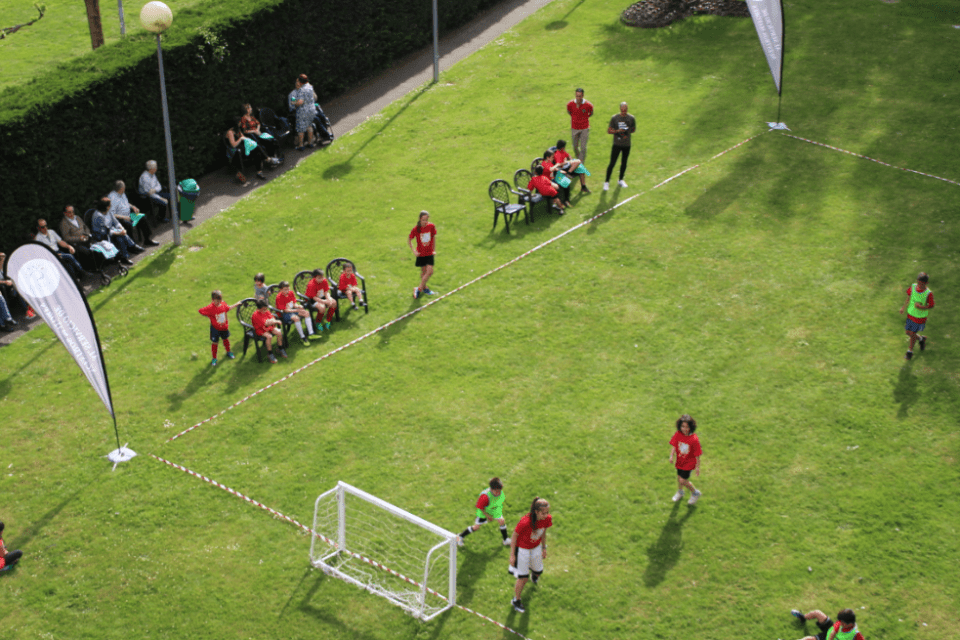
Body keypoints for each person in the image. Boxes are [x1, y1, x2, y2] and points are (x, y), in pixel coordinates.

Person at [509, 497, 552, 614]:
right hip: (522, 550)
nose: (546, 515)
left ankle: (534, 575)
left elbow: (543, 533)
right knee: (523, 578)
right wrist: (512, 555)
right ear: (536, 512)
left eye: (547, 512)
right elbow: (514, 536)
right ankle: (516, 600)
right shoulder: (525, 522)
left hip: (536, 547)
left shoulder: (547, 519)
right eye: (543, 513)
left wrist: (544, 548)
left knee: (538, 571)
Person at [458, 477, 511, 548]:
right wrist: (488, 516)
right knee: (476, 527)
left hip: (494, 510)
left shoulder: (499, 493)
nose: (499, 493)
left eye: (500, 490)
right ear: (491, 489)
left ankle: (506, 540)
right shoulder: (484, 497)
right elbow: (479, 507)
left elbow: (498, 502)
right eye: (497, 491)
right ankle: (460, 536)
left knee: (502, 521)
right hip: (484, 513)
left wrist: (496, 513)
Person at [108, 180, 160, 247]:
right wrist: (124, 217)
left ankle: (147, 240)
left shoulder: (122, 193)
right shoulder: (112, 198)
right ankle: (132, 245)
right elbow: (112, 214)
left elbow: (126, 203)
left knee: (142, 217)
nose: (125, 188)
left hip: (128, 216)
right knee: (127, 224)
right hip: (120, 219)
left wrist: (133, 206)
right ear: (121, 188)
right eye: (124, 187)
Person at [34, 218, 86, 282]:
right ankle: (83, 272)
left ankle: (74, 280)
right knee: (69, 256)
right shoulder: (37, 239)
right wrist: (54, 255)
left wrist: (69, 246)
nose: (45, 228)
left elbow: (60, 242)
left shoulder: (51, 232)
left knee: (68, 262)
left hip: (58, 252)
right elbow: (42, 253)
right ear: (38, 228)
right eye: (42, 227)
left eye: (46, 226)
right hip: (51, 256)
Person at [198, 290, 240, 367]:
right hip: (215, 329)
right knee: (215, 343)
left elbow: (228, 308)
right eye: (216, 301)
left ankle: (228, 352)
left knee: (226, 339)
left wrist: (236, 304)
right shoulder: (210, 307)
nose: (218, 302)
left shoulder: (223, 304)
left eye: (219, 301)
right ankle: (214, 358)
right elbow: (200, 311)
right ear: (212, 300)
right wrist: (209, 315)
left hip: (224, 328)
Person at [92, 197, 138, 266]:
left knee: (120, 237)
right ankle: (132, 247)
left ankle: (124, 257)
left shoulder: (108, 211)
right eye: (110, 205)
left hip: (111, 230)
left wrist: (122, 228)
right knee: (120, 236)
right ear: (107, 207)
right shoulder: (98, 216)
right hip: (101, 235)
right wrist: (120, 232)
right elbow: (106, 231)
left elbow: (116, 222)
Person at [899, 272, 934, 361]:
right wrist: (903, 307)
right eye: (919, 283)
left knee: (912, 334)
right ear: (917, 281)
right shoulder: (913, 287)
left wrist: (921, 307)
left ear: (926, 283)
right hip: (910, 314)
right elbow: (908, 296)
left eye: (922, 284)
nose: (920, 285)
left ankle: (909, 352)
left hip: (919, 318)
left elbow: (931, 305)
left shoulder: (928, 293)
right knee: (908, 332)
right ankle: (921, 339)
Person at [669, 414, 702, 505]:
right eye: (682, 426)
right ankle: (680, 492)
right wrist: (671, 456)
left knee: (682, 480)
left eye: (687, 427)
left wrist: (698, 468)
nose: (684, 429)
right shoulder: (678, 434)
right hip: (680, 462)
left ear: (691, 427)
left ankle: (695, 493)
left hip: (689, 464)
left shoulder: (694, 439)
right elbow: (674, 445)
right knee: (679, 478)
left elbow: (697, 455)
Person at [604, 101, 636, 191]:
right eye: (622, 110)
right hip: (617, 144)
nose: (623, 112)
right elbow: (609, 131)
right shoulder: (615, 118)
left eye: (625, 110)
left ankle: (621, 180)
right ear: (620, 109)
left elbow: (633, 129)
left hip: (626, 144)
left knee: (624, 162)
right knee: (612, 163)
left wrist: (627, 131)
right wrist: (618, 131)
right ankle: (606, 182)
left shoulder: (631, 118)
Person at [59, 205, 100, 272]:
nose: (72, 214)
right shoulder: (63, 223)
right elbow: (66, 238)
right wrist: (79, 238)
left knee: (97, 246)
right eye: (69, 212)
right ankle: (92, 269)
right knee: (86, 251)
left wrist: (87, 234)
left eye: (72, 212)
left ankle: (100, 265)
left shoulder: (77, 217)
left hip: (86, 238)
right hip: (76, 243)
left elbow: (85, 227)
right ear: (65, 213)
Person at [408, 211, 438, 299]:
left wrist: (434, 250)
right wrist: (414, 251)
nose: (425, 222)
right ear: (420, 219)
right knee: (424, 272)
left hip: (429, 253)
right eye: (423, 220)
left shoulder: (431, 226)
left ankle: (418, 289)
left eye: (426, 220)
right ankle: (424, 288)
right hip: (421, 254)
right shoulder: (416, 229)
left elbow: (433, 237)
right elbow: (409, 239)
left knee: (430, 271)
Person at [275, 280, 314, 345]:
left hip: (292, 310)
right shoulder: (278, 297)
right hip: (284, 314)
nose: (287, 291)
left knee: (306, 313)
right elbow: (285, 310)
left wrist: (298, 306)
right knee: (296, 318)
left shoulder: (291, 293)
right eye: (285, 290)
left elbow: (294, 303)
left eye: (288, 289)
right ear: (280, 290)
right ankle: (302, 337)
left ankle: (311, 333)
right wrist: (297, 310)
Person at [790, 608, 865, 640]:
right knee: (817, 613)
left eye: (842, 622)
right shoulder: (842, 623)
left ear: (849, 624)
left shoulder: (856, 635)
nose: (839, 623)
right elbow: (834, 629)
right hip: (830, 631)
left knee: (808, 639)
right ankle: (803, 617)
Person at [289, 74, 317, 150]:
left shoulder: (302, 90)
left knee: (301, 128)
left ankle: (301, 145)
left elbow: (300, 102)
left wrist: (294, 103)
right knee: (309, 126)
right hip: (312, 109)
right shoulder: (310, 87)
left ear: (301, 82)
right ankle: (310, 143)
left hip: (303, 111)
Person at [567, 88, 593, 165]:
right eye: (577, 96)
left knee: (583, 148)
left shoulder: (588, 105)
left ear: (583, 96)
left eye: (580, 96)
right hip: (574, 128)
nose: (578, 98)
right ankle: (579, 159)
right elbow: (569, 112)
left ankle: (581, 164)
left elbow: (591, 113)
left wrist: (584, 118)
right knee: (575, 147)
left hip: (584, 128)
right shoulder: (570, 104)